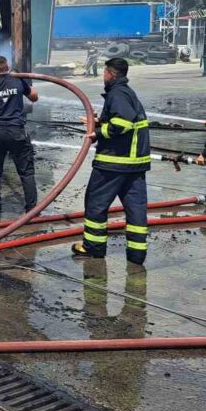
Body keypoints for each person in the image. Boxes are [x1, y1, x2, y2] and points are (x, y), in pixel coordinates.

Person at [72, 57, 151, 265]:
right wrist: (100, 121)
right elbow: (125, 120)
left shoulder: (117, 93)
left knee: (96, 204)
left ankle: (93, 248)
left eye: (104, 72)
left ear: (110, 74)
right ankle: (136, 255)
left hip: (114, 163)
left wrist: (97, 132)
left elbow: (123, 123)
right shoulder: (127, 93)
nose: (103, 76)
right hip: (134, 165)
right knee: (136, 210)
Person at [0, 55, 39, 221]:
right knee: (26, 172)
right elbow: (34, 97)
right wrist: (25, 84)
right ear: (7, 67)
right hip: (16, 133)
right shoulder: (18, 81)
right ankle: (32, 210)